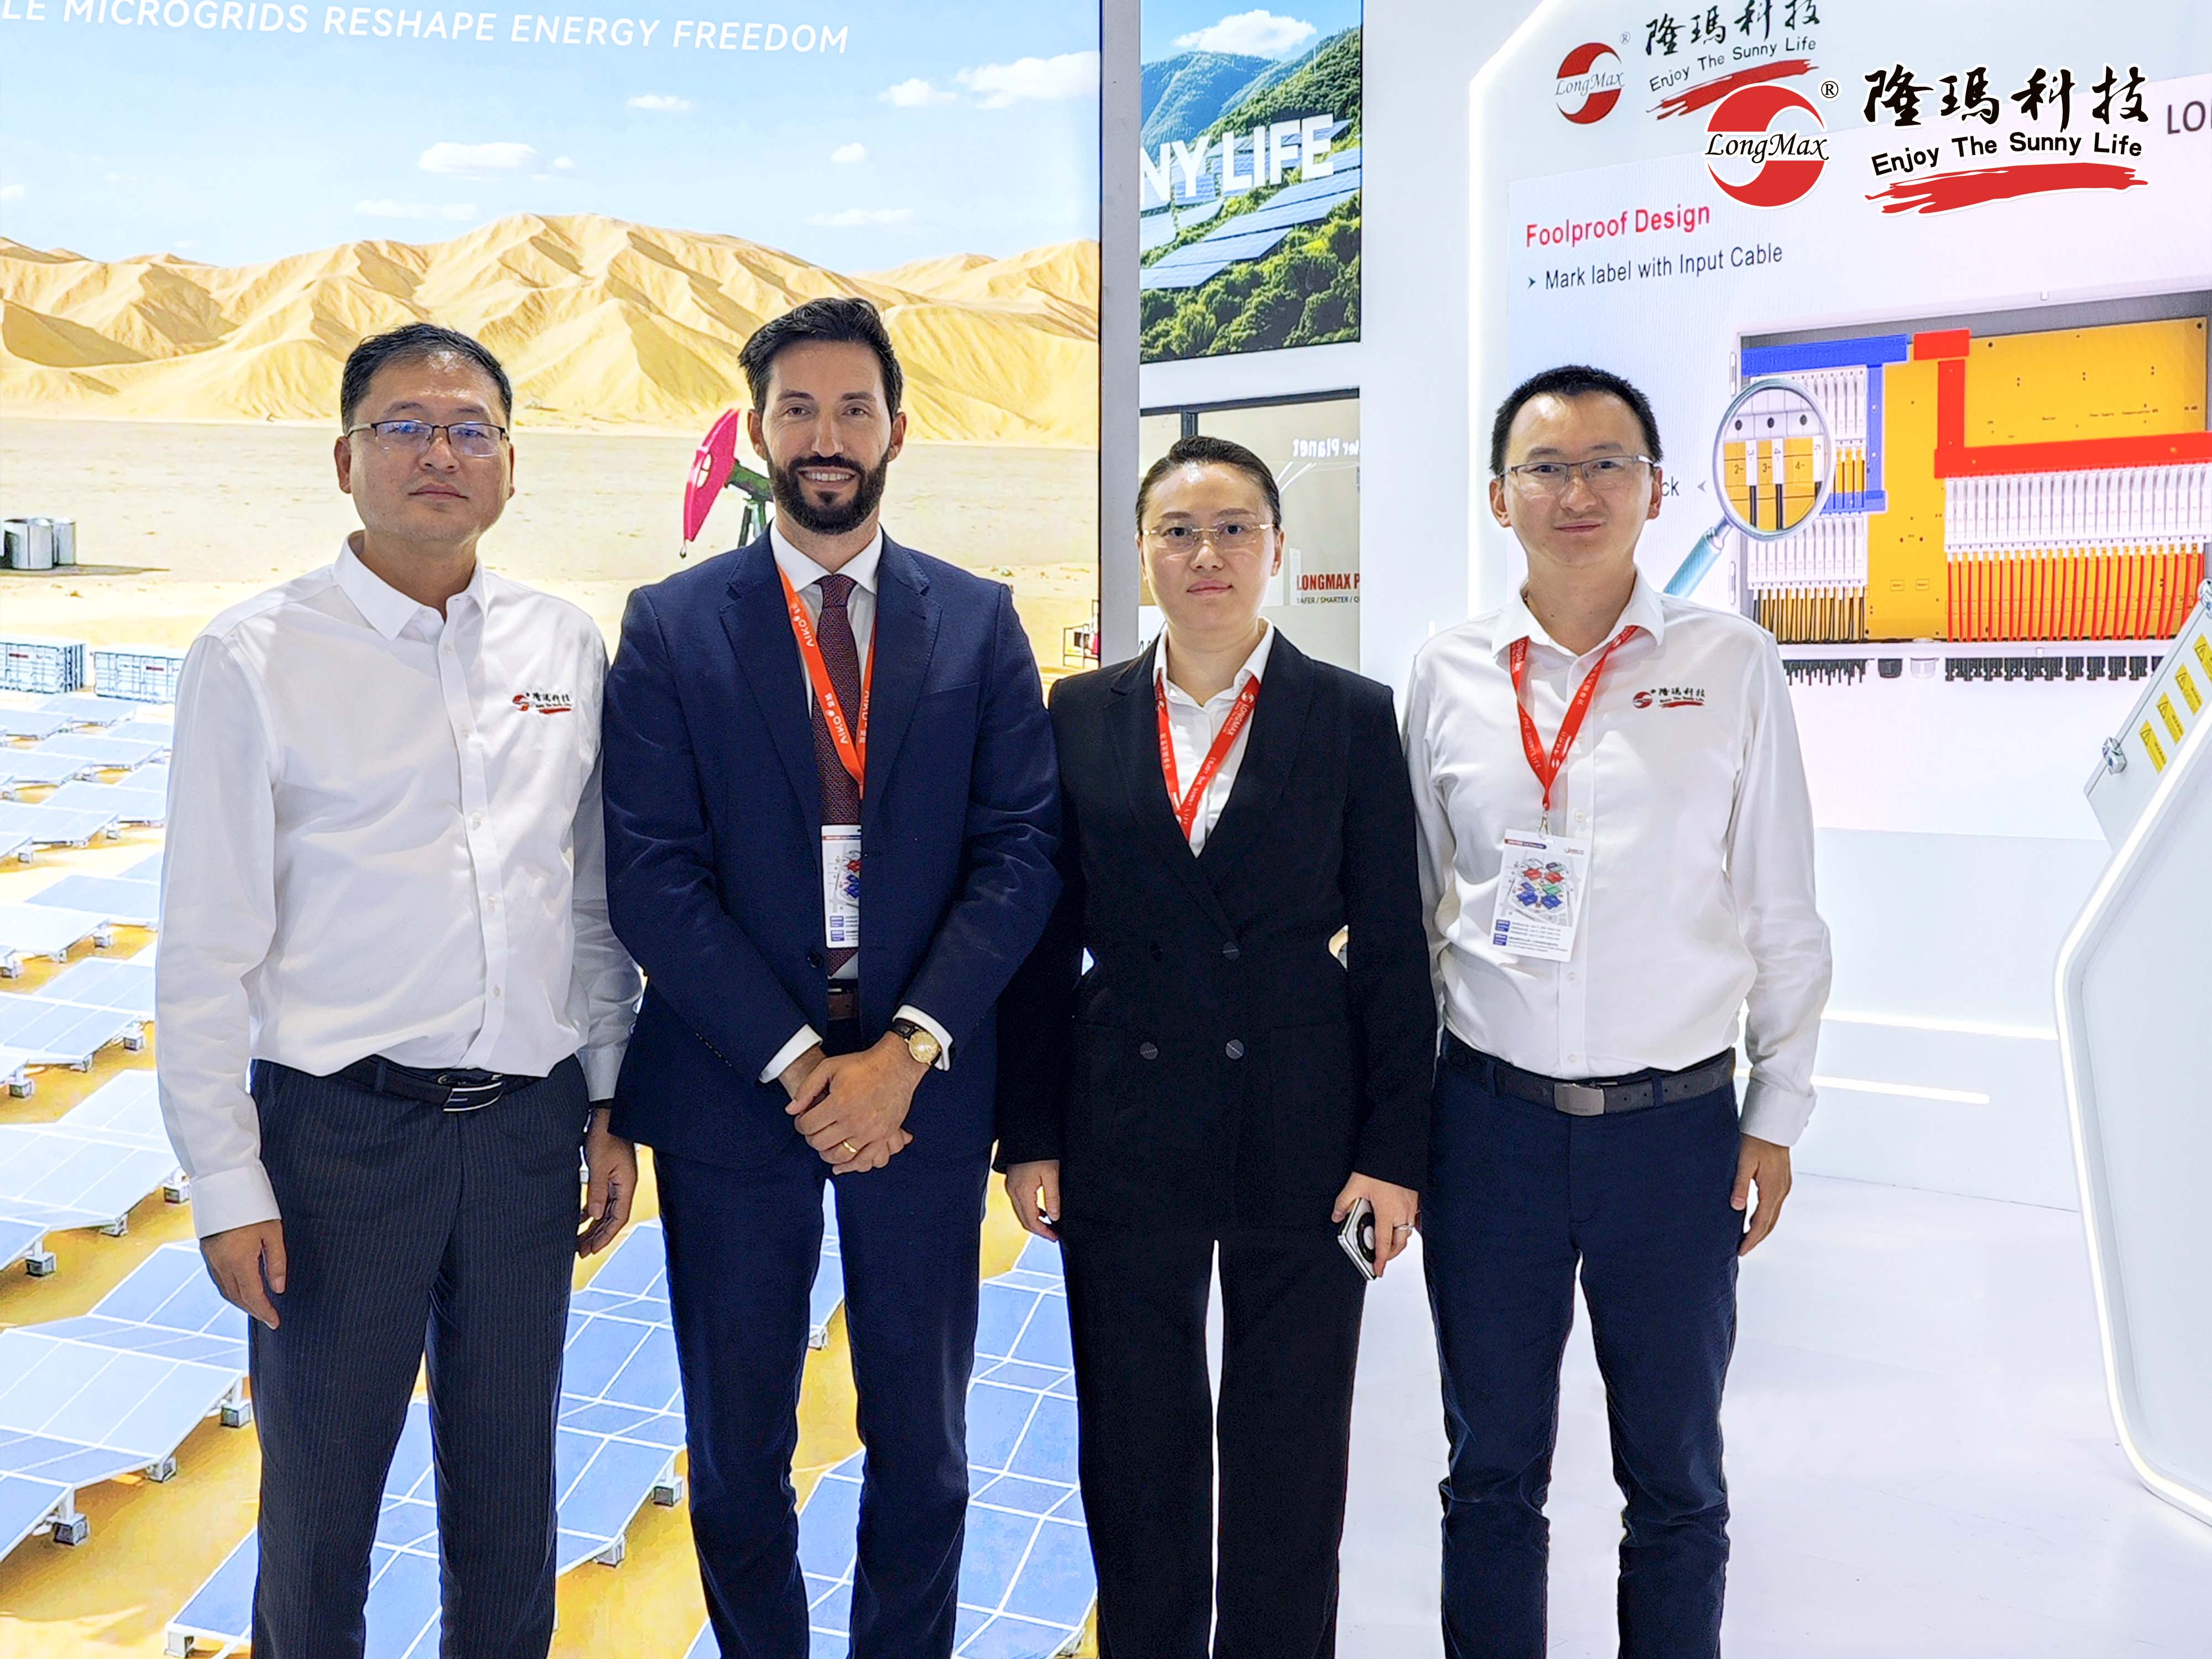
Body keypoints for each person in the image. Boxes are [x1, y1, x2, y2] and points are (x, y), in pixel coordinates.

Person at [156, 321, 643, 1659]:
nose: (441, 453)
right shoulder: (254, 655)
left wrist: (609, 1100)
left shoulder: (561, 644)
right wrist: (226, 1181)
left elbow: (588, 902)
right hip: (335, 1141)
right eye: (405, 427)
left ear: (510, 465)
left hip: (526, 1134)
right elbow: (203, 950)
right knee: (320, 1514)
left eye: (471, 429)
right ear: (345, 458)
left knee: (509, 1504)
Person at [599, 296, 1061, 1658]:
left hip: (920, 1096)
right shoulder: (671, 625)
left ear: (897, 431)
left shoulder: (977, 621)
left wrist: (905, 1050)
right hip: (736, 1091)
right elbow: (651, 873)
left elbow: (1021, 852)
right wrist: (805, 1064)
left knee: (921, 1440)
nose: (825, 436)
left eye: (853, 409)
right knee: (735, 1444)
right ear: (757, 433)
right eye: (796, 409)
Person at [1404, 364, 1832, 1658]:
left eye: (1607, 463)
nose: (1575, 491)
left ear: (1655, 489)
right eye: (1544, 467)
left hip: (1674, 1135)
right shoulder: (1446, 672)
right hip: (1488, 1130)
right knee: (1489, 1473)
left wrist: (1775, 1112)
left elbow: (1780, 908)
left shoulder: (1730, 664)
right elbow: (1414, 915)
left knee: (1676, 1481)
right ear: (1498, 498)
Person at [997, 435, 1436, 1659]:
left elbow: (1394, 951)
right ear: (1140, 551)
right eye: (1179, 531)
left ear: (1278, 550)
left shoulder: (1351, 716)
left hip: (1302, 1119)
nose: (1207, 554)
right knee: (1135, 1444)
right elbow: (1040, 945)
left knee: (1290, 1448)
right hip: (1122, 1117)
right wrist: (1028, 1133)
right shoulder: (1076, 713)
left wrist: (1392, 1153)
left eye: (1234, 528)